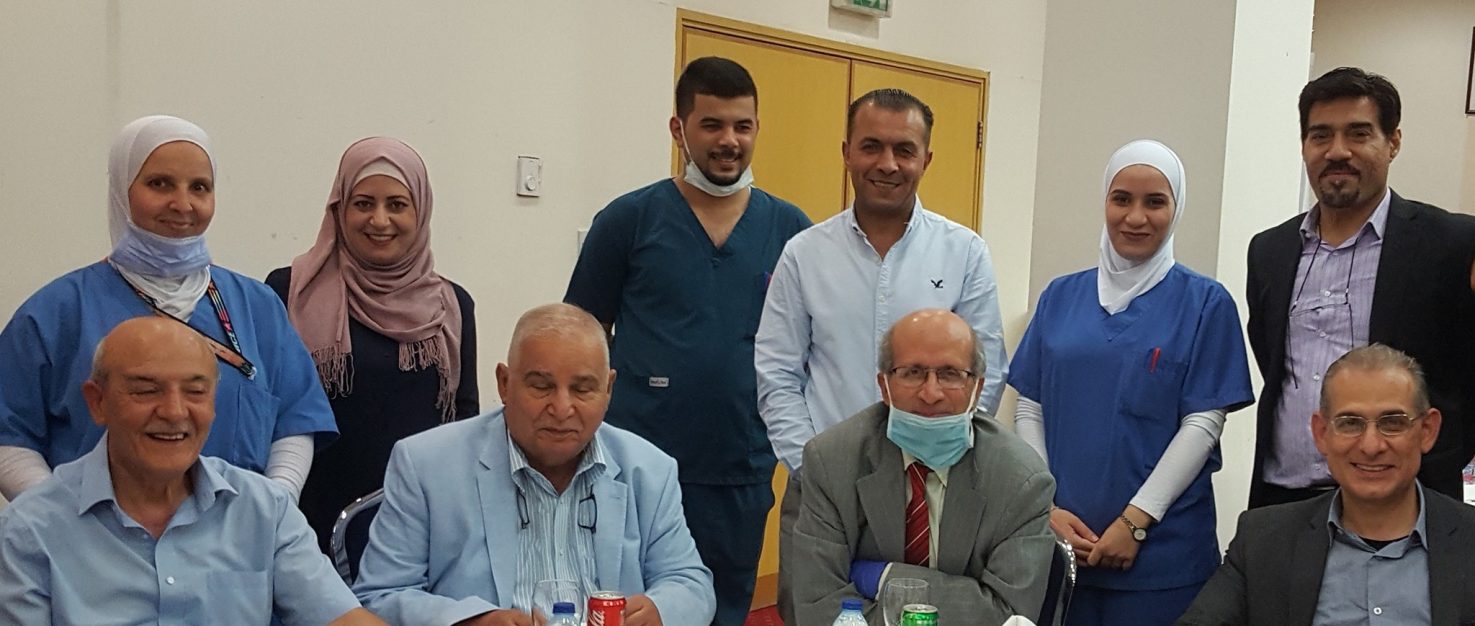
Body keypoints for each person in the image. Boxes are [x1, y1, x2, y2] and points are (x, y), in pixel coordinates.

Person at [563, 56, 810, 626]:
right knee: (630, 607)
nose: (729, 141)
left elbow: (810, 346)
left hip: (738, 466)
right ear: (679, 128)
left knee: (723, 609)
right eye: (712, 125)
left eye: (742, 126)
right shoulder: (628, 220)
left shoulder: (791, 231)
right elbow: (579, 336)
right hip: (636, 462)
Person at [755, 88, 1008, 621]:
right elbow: (776, 374)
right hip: (821, 493)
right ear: (847, 152)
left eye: (904, 149)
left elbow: (984, 372)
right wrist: (815, 468)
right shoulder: (805, 254)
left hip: (932, 494)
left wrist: (938, 463)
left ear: (926, 159)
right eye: (871, 146)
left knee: (921, 614)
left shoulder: (963, 252)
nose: (887, 164)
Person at [0, 115, 336, 501]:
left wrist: (272, 509)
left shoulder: (256, 307)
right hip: (96, 532)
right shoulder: (56, 312)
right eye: (159, 184)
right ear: (122, 189)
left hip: (238, 534)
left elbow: (294, 420)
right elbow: (10, 434)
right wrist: (59, 520)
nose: (182, 204)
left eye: (199, 187)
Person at [1009, 140, 1254, 625]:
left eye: (1155, 202)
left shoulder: (1206, 303)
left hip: (1162, 559)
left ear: (1176, 209)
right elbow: (1029, 406)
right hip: (1063, 548)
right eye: (1121, 199)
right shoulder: (1060, 296)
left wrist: (1135, 522)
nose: (1135, 217)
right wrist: (1045, 509)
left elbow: (1203, 424)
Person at [0, 317, 384, 626]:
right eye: (146, 390)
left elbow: (340, 617)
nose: (174, 412)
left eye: (195, 392)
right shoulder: (31, 529)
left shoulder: (264, 510)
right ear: (97, 402)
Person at [353, 303, 714, 626]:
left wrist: (660, 611)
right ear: (504, 383)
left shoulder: (650, 470)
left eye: (582, 389)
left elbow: (691, 583)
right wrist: (470, 621)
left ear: (608, 389)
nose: (562, 408)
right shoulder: (426, 464)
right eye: (541, 386)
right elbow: (380, 596)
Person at [1245, 67, 1475, 508]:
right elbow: (1273, 361)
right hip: (1283, 499)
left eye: (1358, 133)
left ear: (1393, 142)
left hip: (1408, 504)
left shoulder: (1451, 244)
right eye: (1321, 135)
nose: (1337, 151)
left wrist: (1444, 458)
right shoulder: (1269, 251)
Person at [267, 136, 478, 550]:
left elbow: (464, 421)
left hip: (416, 526)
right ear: (339, 208)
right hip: (306, 525)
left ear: (421, 210)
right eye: (363, 203)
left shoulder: (451, 305)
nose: (379, 220)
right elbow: (269, 411)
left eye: (397, 205)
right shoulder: (289, 291)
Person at [787, 309, 1055, 625]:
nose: (930, 393)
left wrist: (884, 578)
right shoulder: (831, 461)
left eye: (950, 374)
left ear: (977, 389)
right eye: (912, 373)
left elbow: (1009, 614)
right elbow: (817, 605)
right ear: (884, 386)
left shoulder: (1022, 480)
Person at [1177, 345, 1475, 625]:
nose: (1371, 446)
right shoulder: (1263, 542)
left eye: (1392, 422)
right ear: (1321, 433)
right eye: (1350, 423)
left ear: (1427, 431)